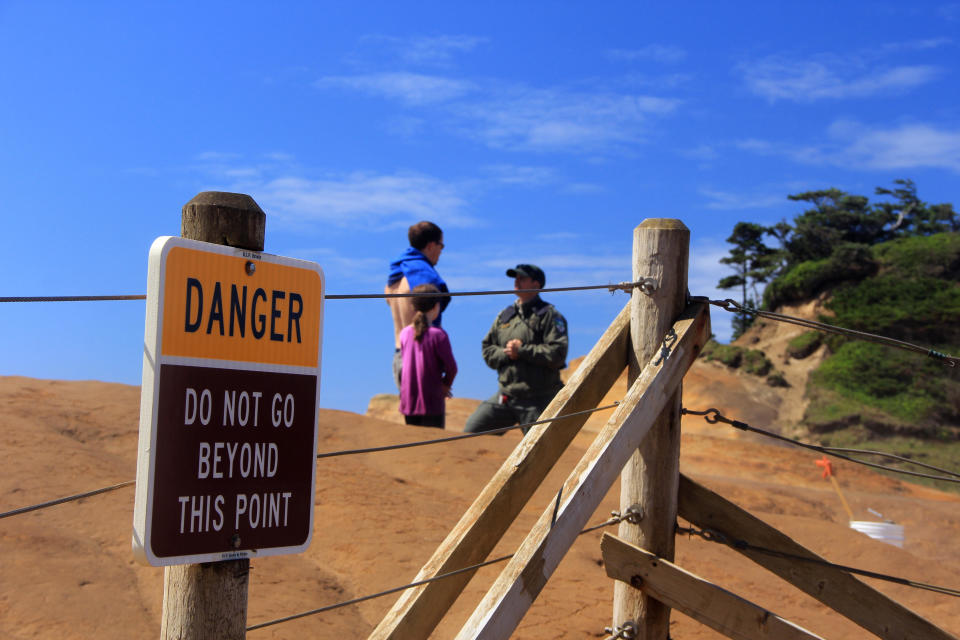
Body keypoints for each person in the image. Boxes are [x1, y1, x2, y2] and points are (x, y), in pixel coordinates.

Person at [464, 264, 568, 435]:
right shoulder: (505, 316)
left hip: (538, 400)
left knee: (539, 450)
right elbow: (487, 348)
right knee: (470, 434)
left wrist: (522, 350)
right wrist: (506, 353)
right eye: (515, 278)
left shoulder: (550, 315)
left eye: (522, 278)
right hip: (506, 396)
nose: (516, 281)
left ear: (536, 284)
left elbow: (558, 353)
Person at [386, 221, 449, 389]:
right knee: (429, 414)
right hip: (420, 356)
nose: (441, 252)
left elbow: (388, 301)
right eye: (441, 246)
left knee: (411, 414)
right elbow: (433, 312)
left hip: (399, 356)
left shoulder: (394, 275)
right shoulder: (426, 278)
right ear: (430, 246)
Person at [398, 284, 457, 428]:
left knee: (413, 445)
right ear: (436, 306)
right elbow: (452, 368)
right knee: (433, 446)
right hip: (432, 401)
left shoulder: (404, 333)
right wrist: (445, 385)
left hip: (409, 401)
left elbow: (402, 365)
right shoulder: (439, 335)